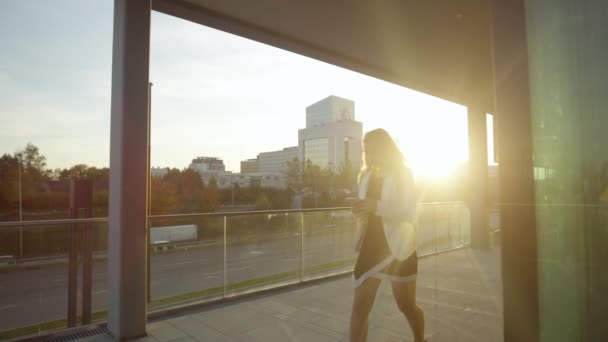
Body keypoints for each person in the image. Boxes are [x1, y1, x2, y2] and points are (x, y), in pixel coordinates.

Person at [350, 128, 425, 342]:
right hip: (371, 247)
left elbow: (409, 212)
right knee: (359, 307)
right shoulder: (365, 175)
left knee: (407, 305)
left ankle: (420, 339)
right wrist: (359, 210)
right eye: (366, 151)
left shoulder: (403, 174)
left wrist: (376, 205)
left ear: (386, 150)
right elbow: (369, 211)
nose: (370, 156)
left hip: (399, 247)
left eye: (374, 150)